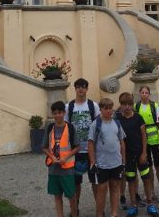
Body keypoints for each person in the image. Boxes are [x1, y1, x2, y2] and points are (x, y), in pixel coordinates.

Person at [116, 92, 159, 216]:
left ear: (132, 105)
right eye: (124, 104)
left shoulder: (138, 117)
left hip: (140, 153)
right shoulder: (119, 120)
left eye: (129, 104)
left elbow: (144, 136)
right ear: (121, 106)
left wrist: (144, 153)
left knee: (146, 178)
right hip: (128, 155)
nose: (127, 107)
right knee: (131, 179)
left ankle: (150, 203)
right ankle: (133, 204)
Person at [88, 97, 126, 217]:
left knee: (115, 188)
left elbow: (122, 142)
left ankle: (114, 213)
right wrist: (92, 162)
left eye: (111, 108)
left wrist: (123, 161)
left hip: (116, 162)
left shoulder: (117, 123)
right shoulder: (96, 124)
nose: (109, 111)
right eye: (106, 109)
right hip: (102, 164)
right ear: (101, 110)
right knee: (102, 190)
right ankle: (99, 214)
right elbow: (90, 144)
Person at [65, 78, 98, 210]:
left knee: (95, 181)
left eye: (83, 86)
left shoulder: (93, 106)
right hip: (76, 151)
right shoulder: (69, 107)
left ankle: (99, 208)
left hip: (91, 151)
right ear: (75, 89)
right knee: (76, 182)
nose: (80, 89)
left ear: (86, 89)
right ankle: (75, 209)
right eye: (78, 86)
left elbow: (98, 126)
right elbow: (66, 128)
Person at [43, 101, 80, 217]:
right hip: (53, 168)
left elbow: (77, 147)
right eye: (55, 113)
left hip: (67, 168)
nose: (57, 115)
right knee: (57, 196)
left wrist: (66, 157)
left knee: (72, 197)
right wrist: (52, 157)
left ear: (64, 113)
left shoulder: (70, 127)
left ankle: (74, 215)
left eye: (60, 113)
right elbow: (44, 147)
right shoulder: (50, 128)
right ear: (52, 114)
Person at [136, 86, 159, 202]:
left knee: (158, 165)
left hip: (155, 140)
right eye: (142, 92)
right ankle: (151, 190)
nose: (144, 94)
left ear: (149, 94)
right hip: (143, 140)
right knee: (148, 166)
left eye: (146, 92)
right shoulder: (136, 106)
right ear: (139, 94)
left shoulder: (154, 106)